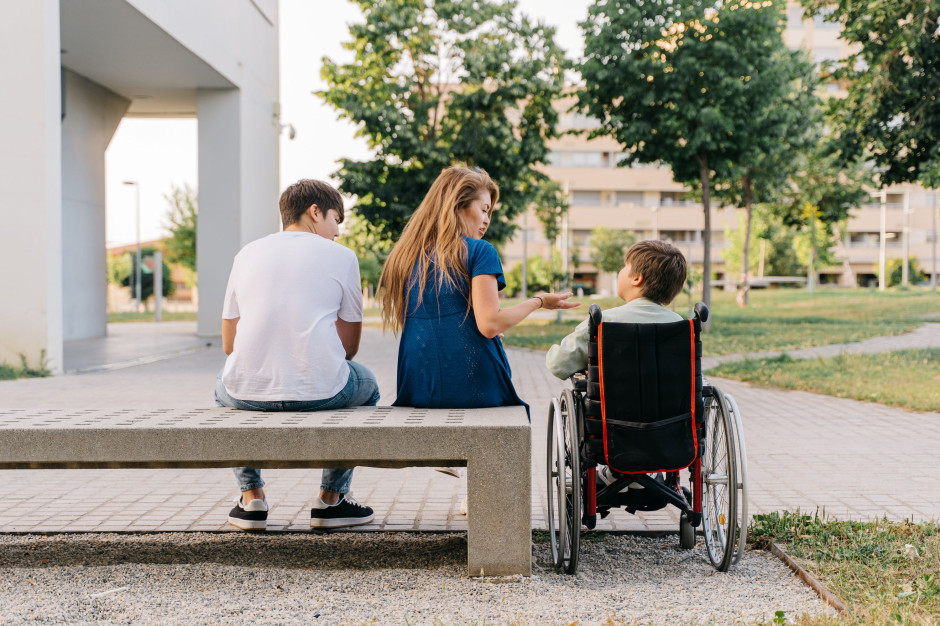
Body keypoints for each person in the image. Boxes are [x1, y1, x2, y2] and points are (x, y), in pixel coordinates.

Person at [214, 179, 379, 531]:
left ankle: (251, 498)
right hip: (324, 392)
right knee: (369, 385)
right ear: (315, 212)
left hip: (247, 394)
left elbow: (229, 345)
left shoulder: (246, 253)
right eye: (337, 219)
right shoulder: (342, 256)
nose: (337, 231)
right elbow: (349, 349)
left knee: (222, 384)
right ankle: (331, 500)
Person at [380, 165, 579, 415]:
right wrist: (539, 301)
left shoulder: (404, 257)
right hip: (472, 386)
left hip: (417, 385)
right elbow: (490, 324)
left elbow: (415, 323)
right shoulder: (480, 251)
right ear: (457, 205)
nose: (487, 219)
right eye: (483, 209)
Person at [545, 239, 688, 489]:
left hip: (608, 432)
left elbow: (558, 365)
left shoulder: (604, 322)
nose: (620, 271)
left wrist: (554, 351)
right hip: (673, 431)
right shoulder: (682, 326)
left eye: (624, 266)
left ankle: (617, 475)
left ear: (637, 278)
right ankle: (647, 478)